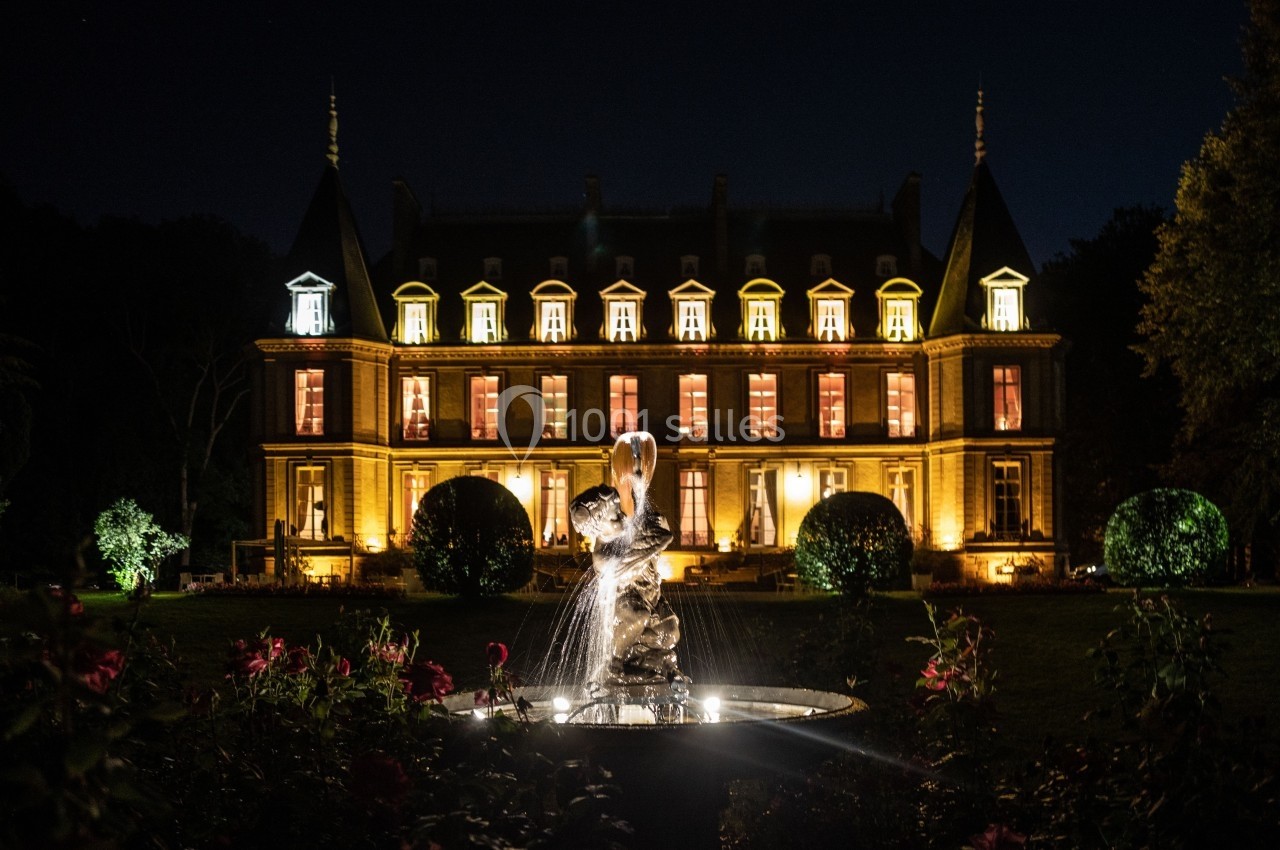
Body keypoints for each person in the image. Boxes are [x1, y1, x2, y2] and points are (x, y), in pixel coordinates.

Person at [570, 432, 687, 688]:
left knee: (670, 633)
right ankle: (613, 665)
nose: (623, 519)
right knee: (637, 615)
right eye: (615, 519)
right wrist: (648, 531)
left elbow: (649, 528)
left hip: (651, 598)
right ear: (598, 528)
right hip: (624, 609)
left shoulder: (625, 533)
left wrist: (637, 483)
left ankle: (660, 664)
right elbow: (648, 540)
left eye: (621, 514)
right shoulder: (603, 556)